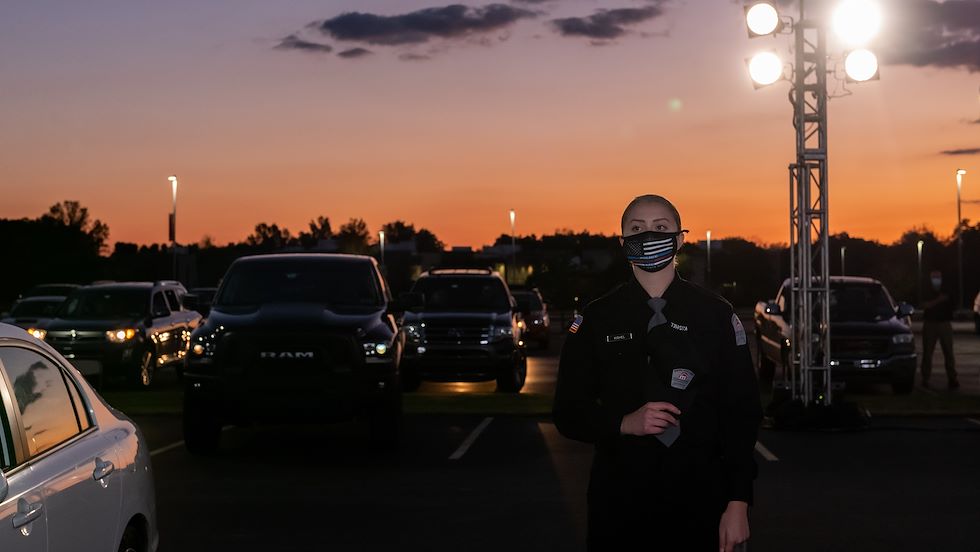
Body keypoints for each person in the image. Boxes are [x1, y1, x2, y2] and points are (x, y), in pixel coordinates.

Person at [553, 194, 763, 552]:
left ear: (680, 239)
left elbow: (741, 414)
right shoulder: (597, 318)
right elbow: (568, 412)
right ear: (623, 243)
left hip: (701, 496)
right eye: (637, 229)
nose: (648, 236)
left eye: (660, 228)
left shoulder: (715, 315)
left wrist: (738, 502)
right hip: (620, 500)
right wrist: (623, 423)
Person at [920, 269, 958, 389]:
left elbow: (953, 305)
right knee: (927, 353)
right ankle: (925, 378)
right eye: (934, 277)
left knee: (949, 352)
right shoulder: (926, 290)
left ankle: (952, 378)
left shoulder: (948, 290)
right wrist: (938, 300)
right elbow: (924, 305)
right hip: (930, 323)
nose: (937, 279)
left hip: (944, 323)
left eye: (938, 277)